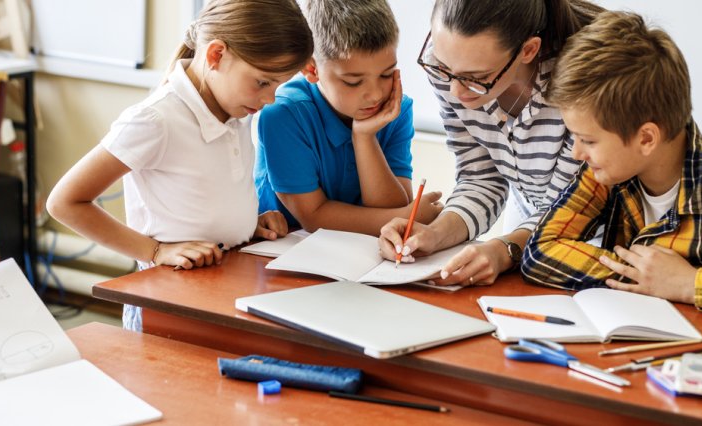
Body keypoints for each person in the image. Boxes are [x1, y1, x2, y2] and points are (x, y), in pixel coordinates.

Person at [46, 0, 314, 330]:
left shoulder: (236, 110)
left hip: (221, 281)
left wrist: (245, 223)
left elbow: (202, 193)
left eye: (278, 85)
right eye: (263, 82)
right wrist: (155, 250)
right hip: (167, 295)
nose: (270, 99)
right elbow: (65, 202)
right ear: (216, 55)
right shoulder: (155, 120)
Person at [378, 0, 603, 286]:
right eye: (445, 67)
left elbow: (570, 209)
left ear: (528, 50)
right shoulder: (448, 70)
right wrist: (434, 234)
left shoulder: (579, 81)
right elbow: (480, 177)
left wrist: (505, 250)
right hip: (533, 215)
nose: (456, 91)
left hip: (601, 228)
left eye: (477, 78)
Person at [522, 11, 702, 311]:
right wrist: (642, 277)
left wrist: (689, 284)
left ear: (646, 139)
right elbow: (540, 252)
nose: (577, 154)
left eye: (588, 140)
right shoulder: (608, 172)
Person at [254, 0, 443, 236]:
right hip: (278, 249)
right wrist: (405, 216)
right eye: (353, 81)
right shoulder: (284, 114)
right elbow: (313, 217)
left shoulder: (396, 110)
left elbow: (391, 207)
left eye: (386, 74)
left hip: (357, 251)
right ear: (312, 70)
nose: (375, 95)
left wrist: (364, 137)